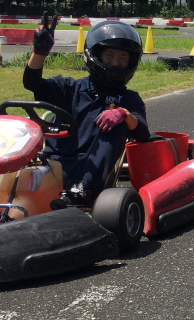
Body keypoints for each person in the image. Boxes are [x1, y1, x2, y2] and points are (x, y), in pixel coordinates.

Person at [23, 14, 150, 207]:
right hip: (52, 166)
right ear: (95, 56)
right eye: (109, 56)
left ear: (130, 62)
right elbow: (32, 83)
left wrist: (124, 114)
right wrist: (39, 53)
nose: (115, 63)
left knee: (118, 125)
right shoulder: (69, 88)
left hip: (88, 171)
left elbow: (142, 134)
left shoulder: (129, 99)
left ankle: (82, 193)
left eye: (123, 58)